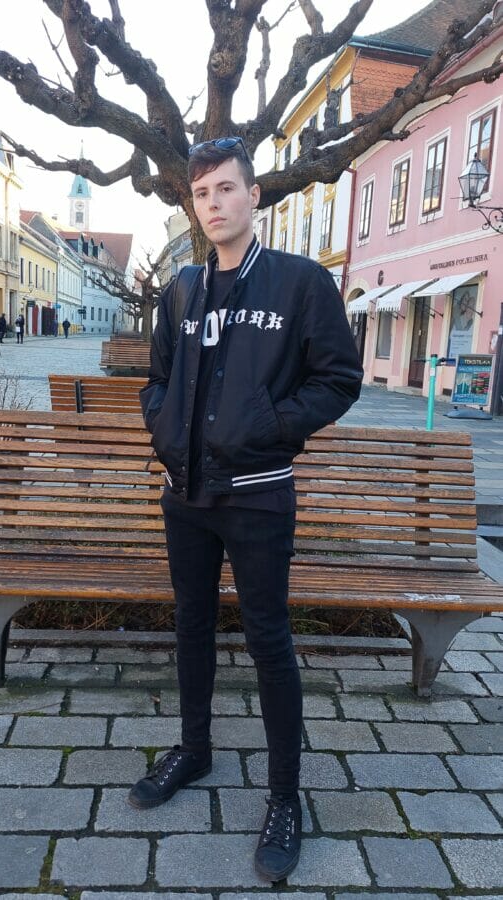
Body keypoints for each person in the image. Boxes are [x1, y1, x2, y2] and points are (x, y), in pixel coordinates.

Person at [131, 137, 363, 881]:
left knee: (267, 639)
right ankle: (194, 749)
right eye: (202, 194)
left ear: (253, 195)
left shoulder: (299, 283)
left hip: (259, 495)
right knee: (191, 624)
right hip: (186, 494)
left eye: (226, 189)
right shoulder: (181, 290)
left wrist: (269, 425)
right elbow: (157, 379)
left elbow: (339, 379)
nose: (214, 204)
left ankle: (285, 796)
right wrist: (165, 428)